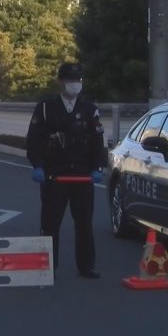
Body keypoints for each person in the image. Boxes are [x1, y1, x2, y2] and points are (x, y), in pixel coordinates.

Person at [25, 62, 107, 279]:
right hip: (54, 175)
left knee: (84, 223)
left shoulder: (89, 109)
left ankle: (86, 266)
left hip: (82, 175)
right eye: (70, 80)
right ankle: (48, 267)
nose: (75, 84)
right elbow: (34, 140)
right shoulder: (46, 108)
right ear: (61, 82)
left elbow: (97, 141)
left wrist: (98, 167)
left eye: (78, 80)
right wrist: (37, 165)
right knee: (50, 224)